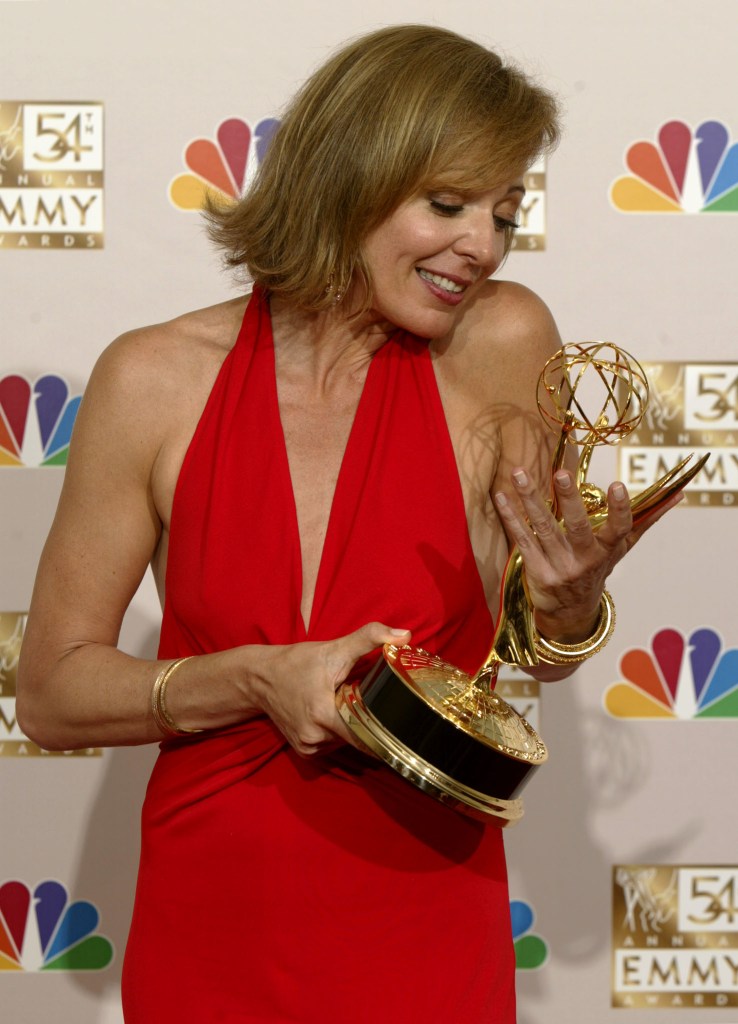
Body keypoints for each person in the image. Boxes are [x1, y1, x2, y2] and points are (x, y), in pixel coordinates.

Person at [16, 24, 680, 1023]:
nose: (484, 245)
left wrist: (572, 602)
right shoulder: (152, 379)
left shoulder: (502, 340)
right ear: (347, 177)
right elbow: (54, 694)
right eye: (448, 204)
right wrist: (251, 676)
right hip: (213, 921)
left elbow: (529, 651)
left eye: (505, 212)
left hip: (426, 904)